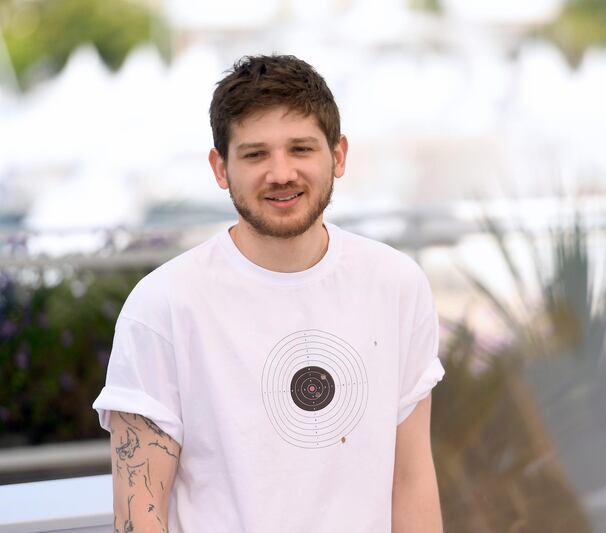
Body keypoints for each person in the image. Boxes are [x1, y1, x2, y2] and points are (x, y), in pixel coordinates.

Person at [93, 54, 445, 533]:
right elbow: (138, 514)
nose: (281, 173)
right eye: (256, 154)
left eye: (301, 149)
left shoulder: (397, 285)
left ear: (338, 156)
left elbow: (411, 481)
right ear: (221, 168)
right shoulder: (164, 306)